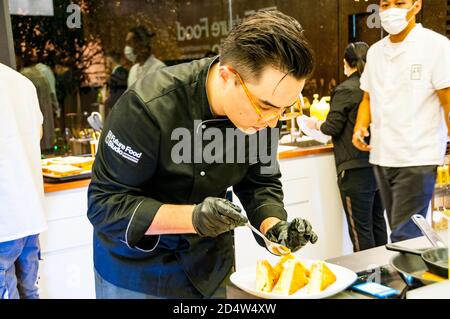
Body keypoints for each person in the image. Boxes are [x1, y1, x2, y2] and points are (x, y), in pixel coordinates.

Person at [88, 10, 318, 299]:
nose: (273, 122)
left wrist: (274, 228)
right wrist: (193, 217)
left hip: (211, 268)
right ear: (227, 76)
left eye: (285, 109)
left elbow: (260, 183)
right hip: (138, 275)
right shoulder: (147, 106)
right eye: (267, 107)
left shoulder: (263, 114)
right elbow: (105, 204)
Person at [352, 0, 450, 242]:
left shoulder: (435, 46)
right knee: (398, 227)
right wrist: (359, 126)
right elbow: (367, 97)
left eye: (400, 3)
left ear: (416, 6)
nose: (391, 9)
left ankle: (415, 279)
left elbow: (447, 100)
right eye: (385, 4)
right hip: (383, 155)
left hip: (418, 155)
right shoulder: (375, 52)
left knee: (405, 233)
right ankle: (416, 276)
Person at [304, 43, 387, 252]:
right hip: (380, 166)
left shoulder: (345, 90)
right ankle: (387, 276)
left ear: (345, 63)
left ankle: (369, 278)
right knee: (378, 222)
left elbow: (332, 126)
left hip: (354, 168)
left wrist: (314, 124)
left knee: (361, 230)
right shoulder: (380, 85)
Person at [0, 63, 47, 299]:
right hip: (29, 217)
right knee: (30, 293)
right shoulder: (22, 83)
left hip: (4, 223)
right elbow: (37, 134)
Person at [104, 50, 128, 115]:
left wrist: (107, 102)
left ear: (110, 60)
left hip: (120, 111)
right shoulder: (117, 73)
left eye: (106, 60)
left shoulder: (120, 73)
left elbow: (119, 94)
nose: (106, 63)